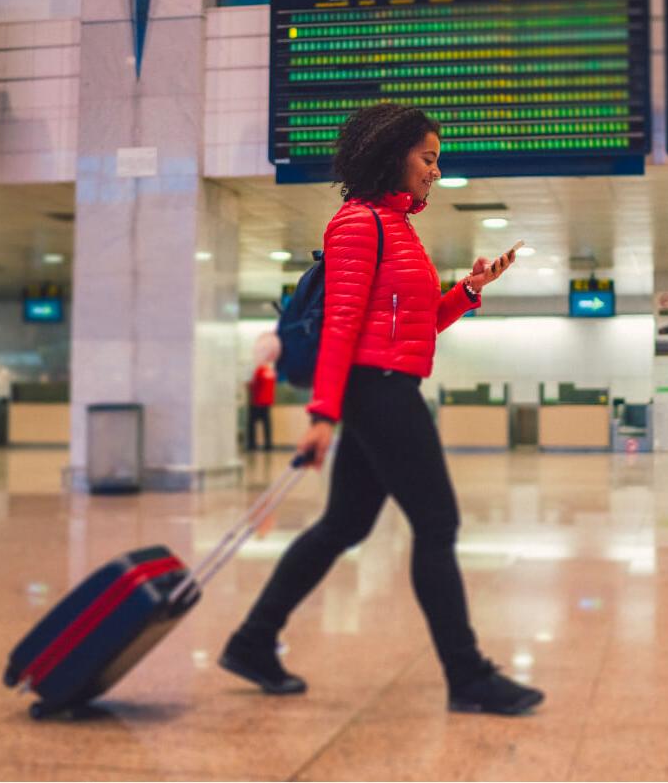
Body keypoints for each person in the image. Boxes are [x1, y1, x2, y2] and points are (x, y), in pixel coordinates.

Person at [219, 103, 544, 716]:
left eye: (437, 159)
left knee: (344, 524)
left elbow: (416, 323)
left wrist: (468, 291)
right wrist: (322, 414)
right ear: (392, 154)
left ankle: (252, 640)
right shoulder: (357, 224)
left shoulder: (399, 228)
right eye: (427, 158)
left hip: (387, 382)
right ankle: (468, 674)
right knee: (438, 525)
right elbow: (341, 324)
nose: (435, 171)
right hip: (380, 390)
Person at [247, 359, 276, 451]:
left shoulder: (259, 371)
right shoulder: (271, 371)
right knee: (267, 424)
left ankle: (252, 444)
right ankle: (268, 444)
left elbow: (253, 385)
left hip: (257, 401)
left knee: (251, 424)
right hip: (267, 402)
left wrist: (248, 385)